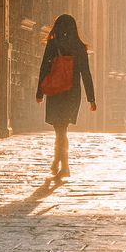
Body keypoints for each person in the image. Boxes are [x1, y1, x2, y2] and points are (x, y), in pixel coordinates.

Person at [36, 14, 96, 179]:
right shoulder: (79, 47)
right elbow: (86, 74)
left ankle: (62, 164)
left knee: (59, 130)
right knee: (63, 129)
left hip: (56, 91)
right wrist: (91, 98)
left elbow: (44, 68)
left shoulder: (53, 44)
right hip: (72, 92)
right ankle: (60, 163)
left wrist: (40, 92)